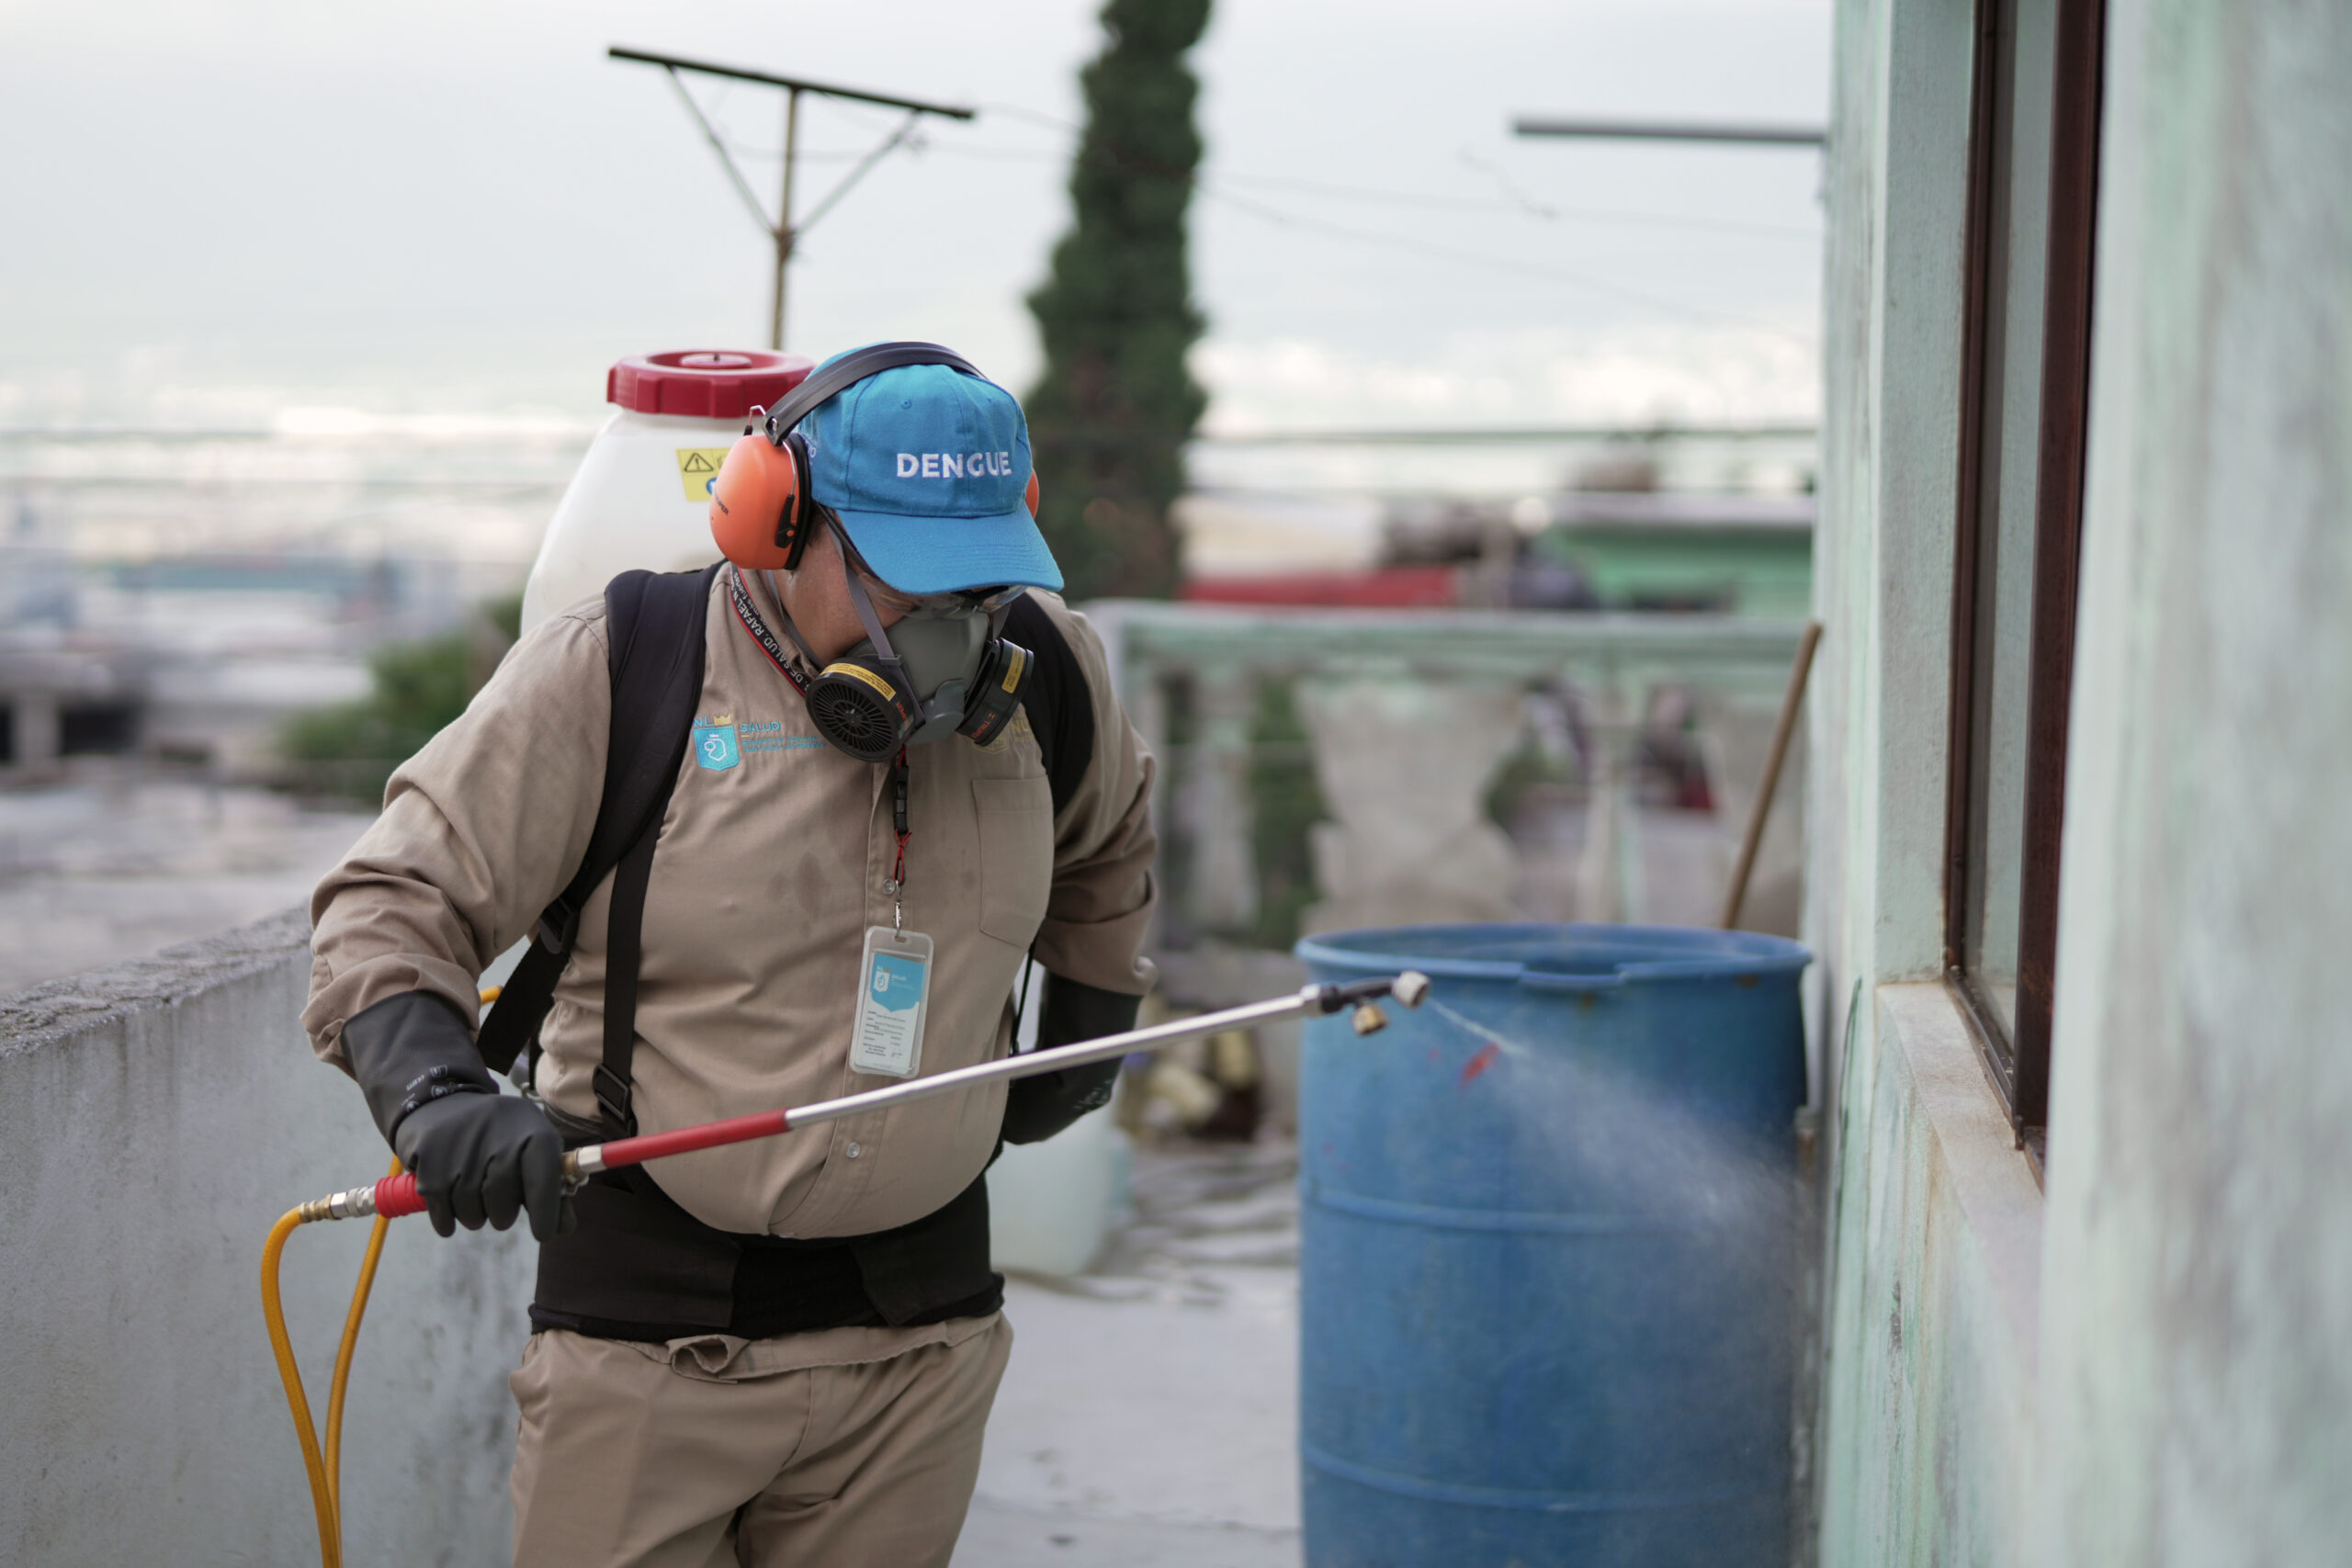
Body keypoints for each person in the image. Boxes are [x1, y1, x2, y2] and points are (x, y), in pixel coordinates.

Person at [301, 345, 1158, 1567]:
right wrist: (434, 1091)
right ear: (781, 523)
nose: (960, 636)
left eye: (981, 589)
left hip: (923, 1356)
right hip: (650, 1362)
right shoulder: (625, 667)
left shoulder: (1051, 677)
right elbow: (392, 898)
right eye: (914, 591)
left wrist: (1088, 1017)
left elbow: (1113, 838)